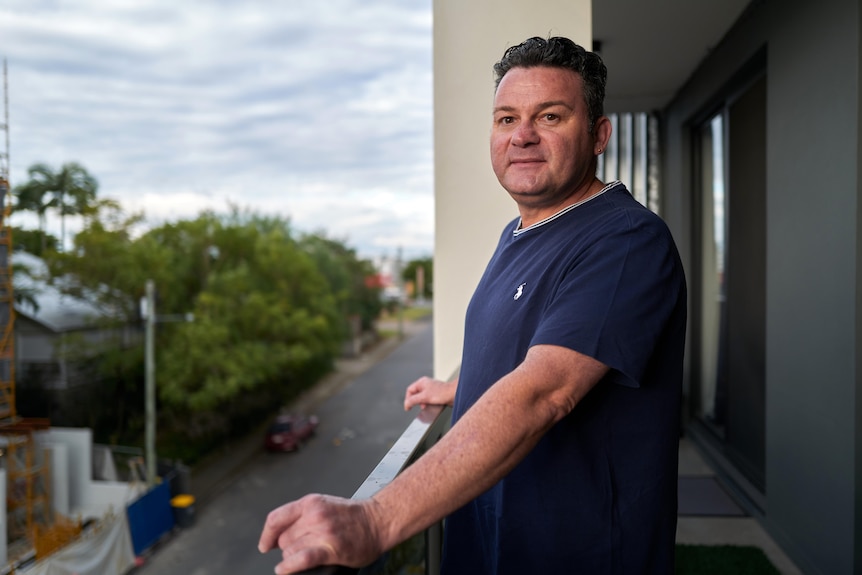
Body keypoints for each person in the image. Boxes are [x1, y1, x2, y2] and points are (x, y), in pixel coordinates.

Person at [258, 36, 686, 575]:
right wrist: (463, 386)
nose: (523, 135)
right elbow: (536, 343)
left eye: (550, 116)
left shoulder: (625, 241)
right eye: (507, 119)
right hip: (489, 541)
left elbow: (546, 391)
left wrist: (374, 520)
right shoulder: (518, 233)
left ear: (599, 134)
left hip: (576, 555)